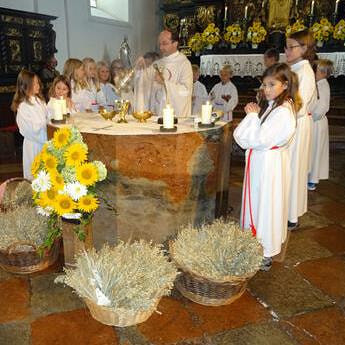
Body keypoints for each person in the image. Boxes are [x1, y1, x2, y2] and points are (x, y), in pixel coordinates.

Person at [234, 63, 300, 271]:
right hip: (264, 162)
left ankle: (265, 251)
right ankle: (255, 243)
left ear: (285, 85)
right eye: (264, 85)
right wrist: (255, 116)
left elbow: (258, 139)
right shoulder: (273, 106)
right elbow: (246, 138)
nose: (267, 89)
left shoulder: (282, 111)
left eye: (272, 84)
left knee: (266, 204)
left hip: (268, 165)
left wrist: (252, 116)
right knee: (260, 203)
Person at [285, 29, 317, 230]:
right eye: (286, 47)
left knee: (294, 168)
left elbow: (300, 105)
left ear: (304, 48)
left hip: (295, 124)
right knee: (288, 168)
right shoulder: (295, 68)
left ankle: (291, 214)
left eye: (291, 47)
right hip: (288, 123)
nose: (286, 51)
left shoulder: (304, 71)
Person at [137, 30, 193, 117]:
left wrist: (165, 83)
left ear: (175, 43)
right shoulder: (157, 63)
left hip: (172, 116)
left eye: (164, 43)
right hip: (156, 113)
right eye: (159, 44)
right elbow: (144, 81)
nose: (161, 47)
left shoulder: (184, 64)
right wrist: (140, 69)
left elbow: (186, 92)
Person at [11, 70, 48, 180]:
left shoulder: (39, 100)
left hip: (44, 142)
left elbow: (47, 115)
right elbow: (31, 129)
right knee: (35, 175)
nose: (38, 85)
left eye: (38, 82)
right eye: (35, 83)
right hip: (35, 144)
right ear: (25, 86)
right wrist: (45, 124)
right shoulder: (23, 106)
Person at [308, 59, 333, 190]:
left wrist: (312, 116)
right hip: (315, 121)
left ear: (323, 72)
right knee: (313, 149)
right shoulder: (319, 84)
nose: (314, 72)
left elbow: (323, 106)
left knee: (316, 150)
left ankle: (313, 178)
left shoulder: (323, 85)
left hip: (317, 122)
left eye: (316, 70)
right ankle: (310, 176)